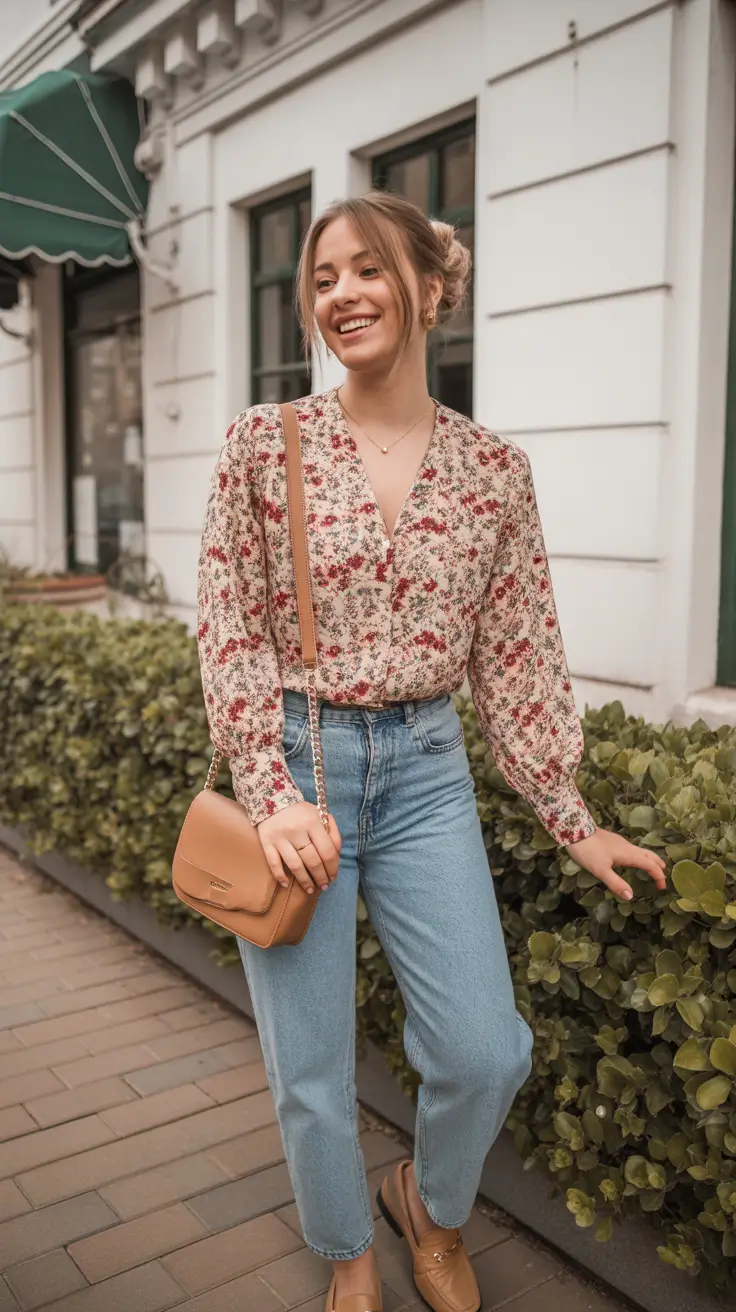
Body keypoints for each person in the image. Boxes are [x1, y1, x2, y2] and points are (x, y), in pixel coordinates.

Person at [196, 191, 667, 1312]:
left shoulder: (493, 472)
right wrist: (270, 791)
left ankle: (430, 1205)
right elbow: (228, 628)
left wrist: (570, 811)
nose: (341, 294)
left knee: (483, 1050)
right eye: (322, 278)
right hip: (298, 766)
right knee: (308, 1067)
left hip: (424, 772)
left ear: (433, 289)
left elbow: (518, 655)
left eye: (367, 270)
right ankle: (348, 1249)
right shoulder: (266, 445)